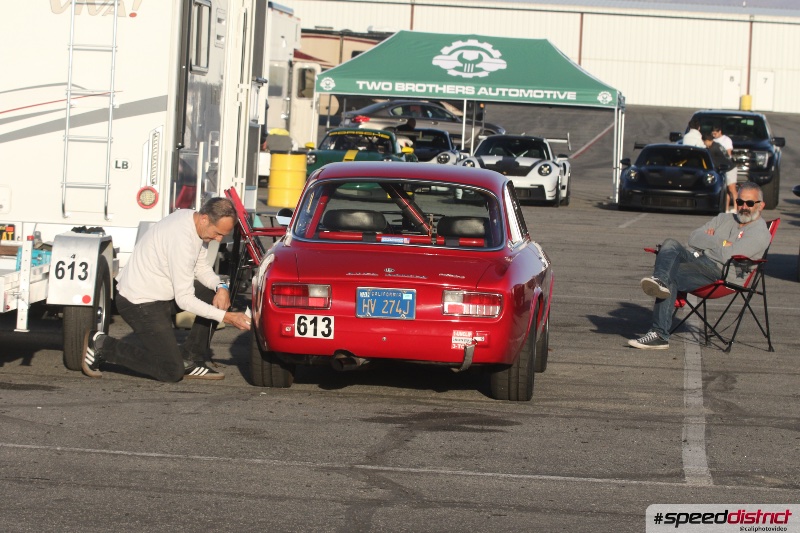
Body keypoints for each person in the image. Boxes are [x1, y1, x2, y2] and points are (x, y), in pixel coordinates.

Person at [81, 197, 252, 380]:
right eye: (217, 233)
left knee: (214, 295)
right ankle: (102, 345)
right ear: (204, 218)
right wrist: (228, 317)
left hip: (160, 295)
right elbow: (184, 299)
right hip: (139, 303)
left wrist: (222, 287)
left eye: (223, 235)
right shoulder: (181, 239)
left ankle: (191, 359)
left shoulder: (192, 221)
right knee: (171, 370)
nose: (218, 239)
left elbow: (201, 268)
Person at [628, 182, 770, 350]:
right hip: (701, 262)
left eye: (750, 203)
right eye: (740, 202)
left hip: (720, 274)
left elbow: (727, 256)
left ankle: (659, 333)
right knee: (670, 244)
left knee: (670, 273)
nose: (744, 207)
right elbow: (694, 238)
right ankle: (660, 282)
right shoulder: (724, 218)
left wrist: (709, 243)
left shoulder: (760, 233)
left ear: (760, 205)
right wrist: (723, 242)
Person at [712, 124, 737, 213]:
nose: (714, 135)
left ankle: (735, 208)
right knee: (725, 189)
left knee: (732, 188)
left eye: (715, 133)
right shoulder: (713, 141)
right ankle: (726, 209)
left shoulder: (726, 140)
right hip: (719, 168)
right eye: (713, 134)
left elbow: (728, 153)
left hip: (728, 167)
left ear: (720, 132)